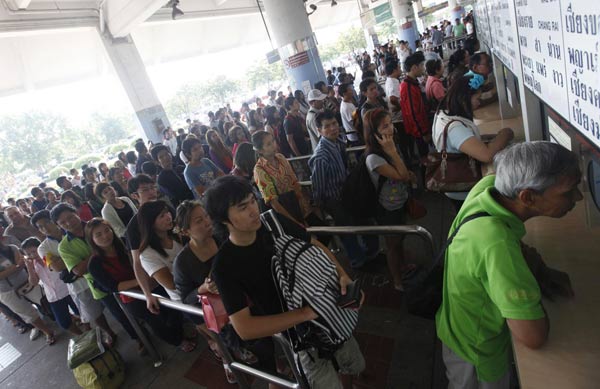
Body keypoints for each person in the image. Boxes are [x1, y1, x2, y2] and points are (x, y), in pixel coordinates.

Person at [436, 141, 581, 389]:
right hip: (478, 356)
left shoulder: (488, 187)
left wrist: (536, 265)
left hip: (457, 328)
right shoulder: (497, 244)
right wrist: (531, 280)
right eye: (567, 192)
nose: (577, 197)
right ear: (528, 196)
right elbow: (533, 336)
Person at [204, 175, 365, 388]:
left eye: (253, 200)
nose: (254, 210)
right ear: (223, 219)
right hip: (300, 338)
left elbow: (314, 245)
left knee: (355, 364)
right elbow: (245, 328)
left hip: (331, 312)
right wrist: (305, 314)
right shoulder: (225, 266)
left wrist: (342, 276)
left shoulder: (274, 222)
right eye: (243, 207)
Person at [86, 218, 189, 354]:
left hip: (152, 283)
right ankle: (178, 341)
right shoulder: (94, 263)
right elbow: (113, 287)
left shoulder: (124, 243)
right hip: (132, 296)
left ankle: (179, 331)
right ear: (92, 239)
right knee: (155, 320)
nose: (105, 236)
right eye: (98, 235)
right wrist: (139, 281)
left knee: (173, 306)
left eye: (107, 230)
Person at [308, 110, 379, 270]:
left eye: (334, 124)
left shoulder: (338, 142)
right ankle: (357, 260)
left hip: (348, 194)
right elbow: (318, 187)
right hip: (335, 200)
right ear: (319, 130)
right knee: (347, 231)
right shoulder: (320, 156)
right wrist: (321, 205)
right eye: (327, 126)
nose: (333, 128)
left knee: (361, 222)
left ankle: (370, 253)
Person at [432, 76, 514, 210]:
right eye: (477, 99)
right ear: (463, 99)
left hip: (457, 183)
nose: (478, 103)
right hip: (464, 189)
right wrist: (505, 134)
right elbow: (486, 155)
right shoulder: (455, 128)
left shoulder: (443, 113)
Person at [363, 108, 417, 290]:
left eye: (391, 124)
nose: (391, 129)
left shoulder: (390, 144)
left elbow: (403, 171)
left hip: (400, 201)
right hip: (387, 209)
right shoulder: (374, 157)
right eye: (385, 126)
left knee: (400, 238)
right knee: (392, 245)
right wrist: (393, 152)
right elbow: (401, 175)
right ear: (374, 132)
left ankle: (403, 266)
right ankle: (397, 280)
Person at [31, 210, 95, 334]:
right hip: (78, 284)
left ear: (54, 221)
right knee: (93, 316)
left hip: (94, 272)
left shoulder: (73, 231)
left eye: (47, 222)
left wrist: (64, 259)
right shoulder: (43, 248)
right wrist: (78, 256)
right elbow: (56, 267)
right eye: (40, 227)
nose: (45, 228)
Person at [21, 238, 82, 336]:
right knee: (63, 323)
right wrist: (29, 268)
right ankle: (82, 336)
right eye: (28, 254)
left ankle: (92, 332)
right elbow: (34, 282)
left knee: (82, 313)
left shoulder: (50, 256)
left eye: (34, 251)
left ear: (39, 247)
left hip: (68, 290)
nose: (32, 255)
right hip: (53, 297)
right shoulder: (34, 265)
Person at [0, 239, 56, 344]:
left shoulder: (12, 247)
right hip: (5, 291)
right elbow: (18, 264)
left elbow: (21, 263)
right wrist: (15, 267)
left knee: (46, 301)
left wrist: (9, 270)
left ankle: (66, 318)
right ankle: (47, 332)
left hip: (26, 281)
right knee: (27, 314)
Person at [253, 131, 311, 227]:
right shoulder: (259, 169)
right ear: (260, 151)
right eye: (268, 144)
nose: (274, 145)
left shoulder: (280, 157)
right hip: (284, 210)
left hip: (296, 202)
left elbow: (294, 180)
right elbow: (274, 202)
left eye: (273, 141)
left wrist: (303, 203)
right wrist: (294, 223)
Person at [400, 52, 431, 157]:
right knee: (424, 158)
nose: (423, 68)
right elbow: (413, 113)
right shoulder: (408, 86)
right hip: (417, 131)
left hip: (420, 128)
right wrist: (424, 133)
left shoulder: (413, 83)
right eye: (422, 65)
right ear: (414, 67)